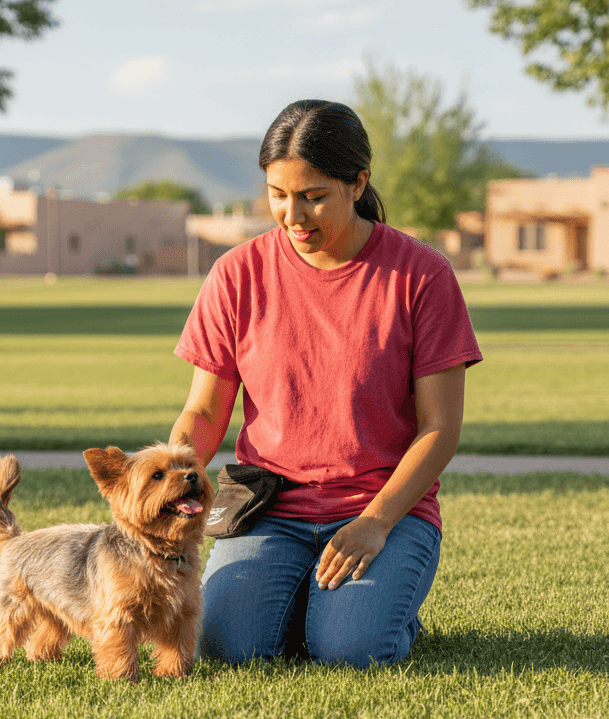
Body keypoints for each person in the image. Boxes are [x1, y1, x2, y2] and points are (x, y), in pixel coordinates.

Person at [169, 99, 483, 669]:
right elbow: (203, 413)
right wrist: (166, 486)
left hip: (379, 509)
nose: (293, 216)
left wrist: (376, 522)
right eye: (278, 195)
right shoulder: (236, 274)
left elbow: (440, 428)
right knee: (226, 649)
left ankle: (380, 612)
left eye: (313, 196)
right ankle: (312, 604)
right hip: (268, 508)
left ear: (357, 182)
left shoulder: (422, 275)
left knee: (351, 651)